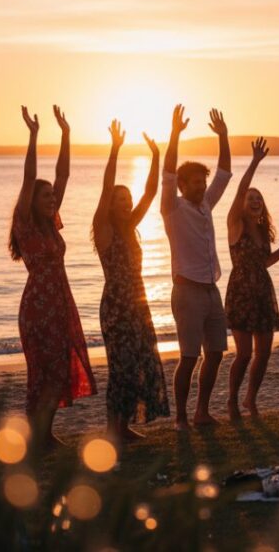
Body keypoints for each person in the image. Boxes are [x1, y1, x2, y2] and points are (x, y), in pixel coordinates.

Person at [9, 105, 96, 447]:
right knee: (41, 371)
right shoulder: (25, 222)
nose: (53, 199)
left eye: (54, 197)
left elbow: (63, 177)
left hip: (60, 302)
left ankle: (45, 433)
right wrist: (33, 136)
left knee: (60, 368)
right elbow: (30, 177)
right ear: (33, 200)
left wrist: (67, 135)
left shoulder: (50, 223)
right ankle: (37, 435)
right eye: (46, 196)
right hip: (38, 306)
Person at [92, 119, 170, 441]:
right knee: (120, 370)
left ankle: (123, 428)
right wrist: (114, 150)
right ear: (110, 204)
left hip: (138, 305)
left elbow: (151, 192)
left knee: (139, 365)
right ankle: (114, 432)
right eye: (119, 201)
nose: (125, 205)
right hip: (117, 308)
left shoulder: (129, 225)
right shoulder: (105, 230)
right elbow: (106, 185)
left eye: (127, 201)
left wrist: (156, 155)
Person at [161, 104, 232, 431]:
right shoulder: (172, 208)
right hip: (187, 290)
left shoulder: (206, 204)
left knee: (216, 352)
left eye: (202, 182)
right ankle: (181, 416)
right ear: (182, 185)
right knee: (189, 357)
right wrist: (175, 133)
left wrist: (224, 137)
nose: (202, 186)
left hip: (211, 290)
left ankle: (203, 411)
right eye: (195, 182)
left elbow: (224, 173)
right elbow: (168, 173)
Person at [225, 137, 279, 420]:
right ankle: (232, 400)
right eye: (251, 198)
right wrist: (255, 161)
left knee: (264, 353)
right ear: (243, 204)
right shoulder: (236, 224)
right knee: (243, 354)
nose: (255, 201)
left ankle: (250, 399)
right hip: (241, 293)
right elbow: (240, 189)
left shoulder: (261, 230)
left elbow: (266, 262)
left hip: (263, 293)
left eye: (259, 199)